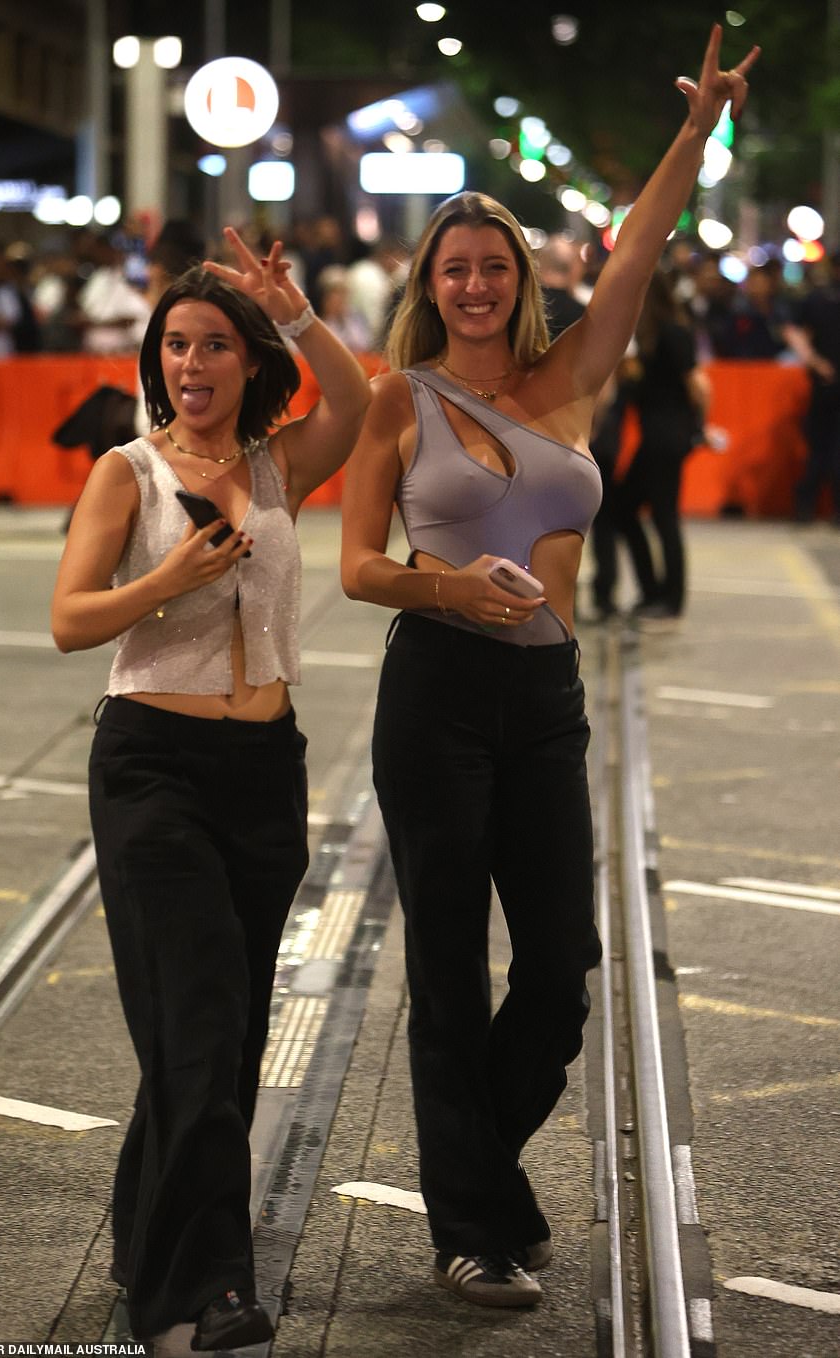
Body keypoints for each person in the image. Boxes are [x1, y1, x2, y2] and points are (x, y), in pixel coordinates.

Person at [340, 24, 756, 1311]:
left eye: (491, 266)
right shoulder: (396, 399)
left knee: (561, 967)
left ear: (522, 279)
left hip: (543, 697)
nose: (471, 285)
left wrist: (695, 133)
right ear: (430, 282)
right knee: (447, 965)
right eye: (452, 268)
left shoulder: (572, 372)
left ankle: (477, 1171)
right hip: (436, 690)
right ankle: (470, 1227)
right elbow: (355, 565)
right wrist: (445, 584)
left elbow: (635, 244)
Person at [50, 227, 369, 1356]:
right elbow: (69, 620)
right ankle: (203, 1289)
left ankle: (146, 1229)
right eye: (175, 345)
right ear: (157, 361)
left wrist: (296, 312)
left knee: (223, 1038)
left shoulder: (279, 464)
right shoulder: (124, 471)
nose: (191, 363)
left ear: (245, 361)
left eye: (214, 345)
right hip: (152, 768)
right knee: (198, 1023)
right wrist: (162, 580)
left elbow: (359, 402)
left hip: (261, 775)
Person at [615, 269, 708, 619]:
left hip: (666, 436)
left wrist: (698, 428)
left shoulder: (671, 332)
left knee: (662, 515)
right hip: (658, 435)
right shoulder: (652, 334)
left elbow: (699, 386)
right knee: (630, 509)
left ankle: (669, 597)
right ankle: (655, 592)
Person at [782, 249, 840, 525]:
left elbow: (794, 334)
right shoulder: (818, 300)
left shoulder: (816, 300)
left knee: (819, 448)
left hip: (823, 383)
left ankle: (805, 509)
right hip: (825, 385)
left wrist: (816, 364)